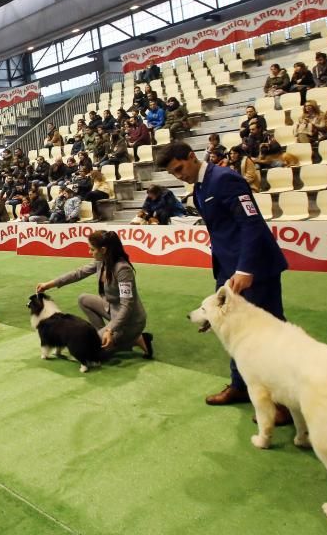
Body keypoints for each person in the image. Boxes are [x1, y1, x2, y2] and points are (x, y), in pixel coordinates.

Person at [156, 141, 291, 424]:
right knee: (234, 331)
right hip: (229, 270)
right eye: (173, 173)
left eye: (180, 168)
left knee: (268, 336)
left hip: (255, 269)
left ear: (192, 157)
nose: (179, 175)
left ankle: (283, 402)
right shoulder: (200, 187)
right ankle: (240, 386)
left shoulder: (225, 178)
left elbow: (251, 224)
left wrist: (245, 268)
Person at [36, 230, 152, 359]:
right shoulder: (101, 261)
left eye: (92, 249)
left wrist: (110, 330)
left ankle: (135, 338)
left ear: (103, 250)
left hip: (130, 321)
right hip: (112, 309)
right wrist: (49, 284)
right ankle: (104, 337)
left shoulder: (123, 270)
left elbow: (127, 306)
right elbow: (78, 273)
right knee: (84, 299)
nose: (89, 252)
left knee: (92, 351)